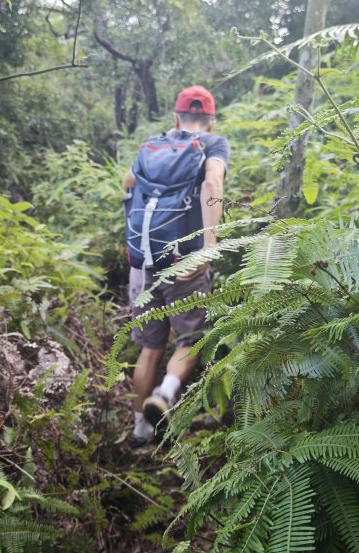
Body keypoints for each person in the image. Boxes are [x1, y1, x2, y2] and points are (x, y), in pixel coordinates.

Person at [123, 85, 229, 447]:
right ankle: (165, 394)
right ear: (211, 121)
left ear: (176, 117)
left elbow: (128, 185)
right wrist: (209, 247)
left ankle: (140, 432)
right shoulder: (213, 145)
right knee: (190, 340)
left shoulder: (150, 146)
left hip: (142, 263)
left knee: (149, 348)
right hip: (184, 264)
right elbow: (213, 181)